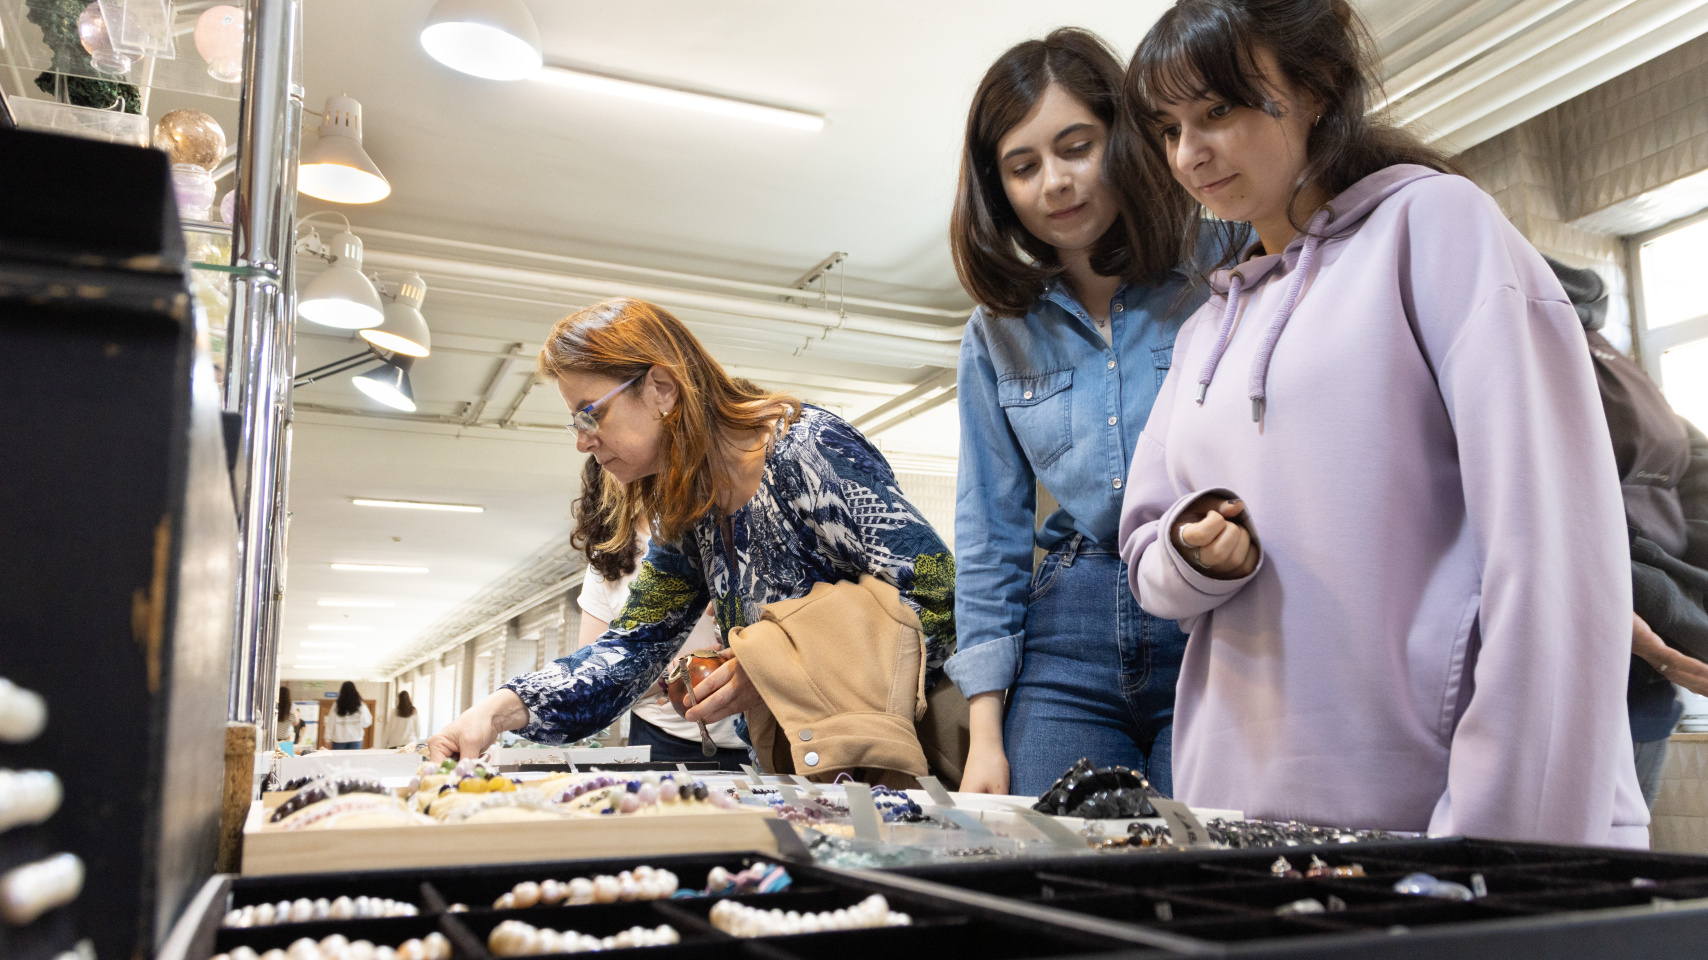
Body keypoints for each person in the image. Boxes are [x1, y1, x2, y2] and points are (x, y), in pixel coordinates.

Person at [1116, 0, 1647, 845]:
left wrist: (1502, 835)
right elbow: (1145, 552)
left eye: (1218, 111)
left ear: (1318, 88)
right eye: (1168, 127)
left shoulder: (1436, 225)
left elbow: (1552, 545)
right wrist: (1192, 556)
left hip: (1442, 818)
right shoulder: (1202, 333)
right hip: (1241, 824)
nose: (1190, 153)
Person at [426, 298, 956, 762]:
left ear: (661, 388)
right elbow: (631, 650)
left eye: (590, 415)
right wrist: (495, 713)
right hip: (808, 768)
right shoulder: (690, 509)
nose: (582, 442)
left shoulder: (806, 449)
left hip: (898, 761)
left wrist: (778, 665)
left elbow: (938, 595)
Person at [946, 28, 1207, 796]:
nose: (1054, 182)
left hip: (1211, 617)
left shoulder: (1219, 266)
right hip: (1069, 632)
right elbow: (989, 533)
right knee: (1054, 867)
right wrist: (984, 737)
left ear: (1123, 141)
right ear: (999, 189)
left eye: (1076, 147)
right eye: (1023, 166)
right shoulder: (997, 331)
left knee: (1203, 872)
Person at [1548, 256, 1708, 807]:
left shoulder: (1564, 344)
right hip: (1626, 656)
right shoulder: (1605, 353)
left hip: (1629, 669)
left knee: (1593, 865)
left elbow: (1693, 457)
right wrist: (1679, 594)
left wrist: (1680, 590)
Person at [571, 457, 749, 769]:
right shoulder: (610, 561)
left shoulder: (724, 528)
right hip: (667, 738)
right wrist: (671, 676)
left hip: (760, 728)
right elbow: (599, 670)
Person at [325, 681, 371, 750]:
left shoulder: (336, 705)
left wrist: (327, 739)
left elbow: (330, 722)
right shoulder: (361, 705)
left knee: (338, 760)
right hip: (355, 739)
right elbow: (367, 723)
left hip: (339, 739)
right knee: (354, 760)